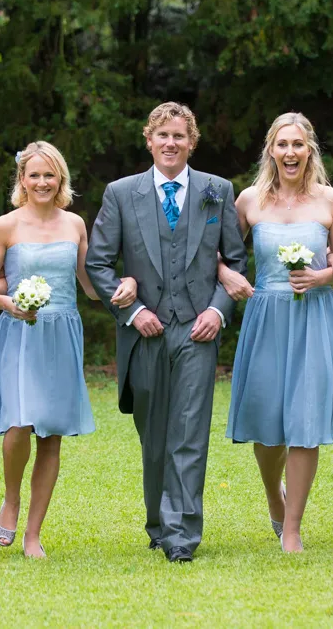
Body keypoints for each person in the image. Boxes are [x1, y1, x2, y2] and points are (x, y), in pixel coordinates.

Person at [85, 102, 248, 563]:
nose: (171, 143)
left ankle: (182, 535)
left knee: (189, 433)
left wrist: (218, 310)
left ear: (191, 142)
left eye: (179, 136)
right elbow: (98, 262)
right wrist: (132, 310)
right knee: (154, 437)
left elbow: (234, 261)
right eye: (163, 136)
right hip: (146, 332)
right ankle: (158, 523)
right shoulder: (121, 193)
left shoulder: (217, 190)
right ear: (149, 140)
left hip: (198, 329)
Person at [0, 141, 136, 558]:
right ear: (22, 180)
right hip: (20, 330)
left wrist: (127, 286)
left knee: (51, 432)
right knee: (18, 423)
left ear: (61, 179)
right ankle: (11, 498)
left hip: (63, 330)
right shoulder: (5, 226)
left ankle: (33, 535)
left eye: (50, 175)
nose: (43, 182)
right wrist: (9, 302)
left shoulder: (75, 224)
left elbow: (89, 282)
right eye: (35, 175)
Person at [216, 112, 333, 552]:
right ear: (270, 150)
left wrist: (323, 276)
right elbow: (220, 255)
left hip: (314, 316)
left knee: (304, 420)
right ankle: (275, 499)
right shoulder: (249, 200)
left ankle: (291, 529)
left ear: (309, 149)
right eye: (282, 145)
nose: (290, 153)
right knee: (265, 422)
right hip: (265, 314)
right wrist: (225, 274)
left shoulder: (329, 200)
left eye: (298, 145)